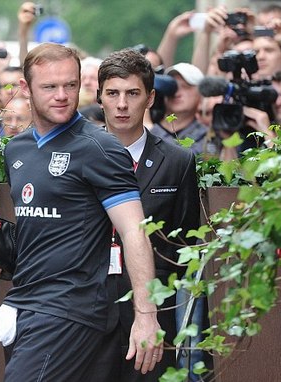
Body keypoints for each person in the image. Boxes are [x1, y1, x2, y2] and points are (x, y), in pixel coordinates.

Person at [0, 43, 162, 381]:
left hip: (73, 307)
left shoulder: (100, 148)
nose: (62, 95)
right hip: (25, 303)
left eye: (70, 85)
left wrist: (146, 314)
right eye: (50, 87)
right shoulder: (17, 149)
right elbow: (39, 229)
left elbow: (134, 230)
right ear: (25, 89)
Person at [85, 48, 203, 381]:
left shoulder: (178, 162)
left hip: (151, 311)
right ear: (100, 98)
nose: (122, 104)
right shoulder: (76, 154)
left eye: (132, 93)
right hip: (86, 307)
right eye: (113, 93)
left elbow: (183, 244)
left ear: (150, 98)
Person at [151, 63, 208, 155]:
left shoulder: (206, 135)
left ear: (201, 94)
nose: (176, 93)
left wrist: (151, 131)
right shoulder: (150, 120)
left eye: (185, 87)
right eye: (172, 87)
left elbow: (187, 160)